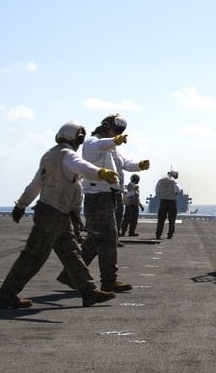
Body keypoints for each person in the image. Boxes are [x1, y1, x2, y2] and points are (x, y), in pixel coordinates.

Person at [0, 121, 119, 309]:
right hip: (52, 215)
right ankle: (7, 295)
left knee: (71, 254)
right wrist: (100, 173)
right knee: (34, 257)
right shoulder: (66, 155)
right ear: (76, 139)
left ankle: (89, 292)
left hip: (57, 214)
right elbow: (83, 167)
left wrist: (21, 205)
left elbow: (36, 184)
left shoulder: (49, 155)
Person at [59, 114, 149, 293]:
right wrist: (114, 141)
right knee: (108, 238)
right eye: (116, 130)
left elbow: (124, 163)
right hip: (97, 195)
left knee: (96, 238)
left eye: (121, 132)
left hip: (110, 195)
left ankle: (71, 274)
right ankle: (109, 280)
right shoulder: (92, 143)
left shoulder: (113, 149)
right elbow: (101, 145)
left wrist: (139, 165)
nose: (118, 134)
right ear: (106, 126)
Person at [154, 170, 181, 239]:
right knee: (172, 219)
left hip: (163, 201)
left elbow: (157, 188)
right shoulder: (174, 181)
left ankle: (158, 234)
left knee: (161, 219)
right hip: (172, 201)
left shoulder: (161, 180)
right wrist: (174, 193)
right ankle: (170, 234)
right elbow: (178, 189)